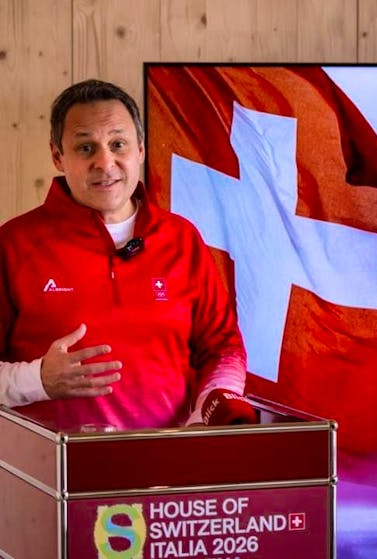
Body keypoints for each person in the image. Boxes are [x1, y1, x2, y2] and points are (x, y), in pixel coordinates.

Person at [0, 79, 247, 431]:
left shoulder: (182, 239)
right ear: (58, 156)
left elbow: (222, 348)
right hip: (47, 476)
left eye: (118, 144)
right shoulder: (13, 244)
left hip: (168, 471)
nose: (105, 162)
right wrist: (37, 379)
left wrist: (209, 413)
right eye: (86, 148)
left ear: (141, 150)